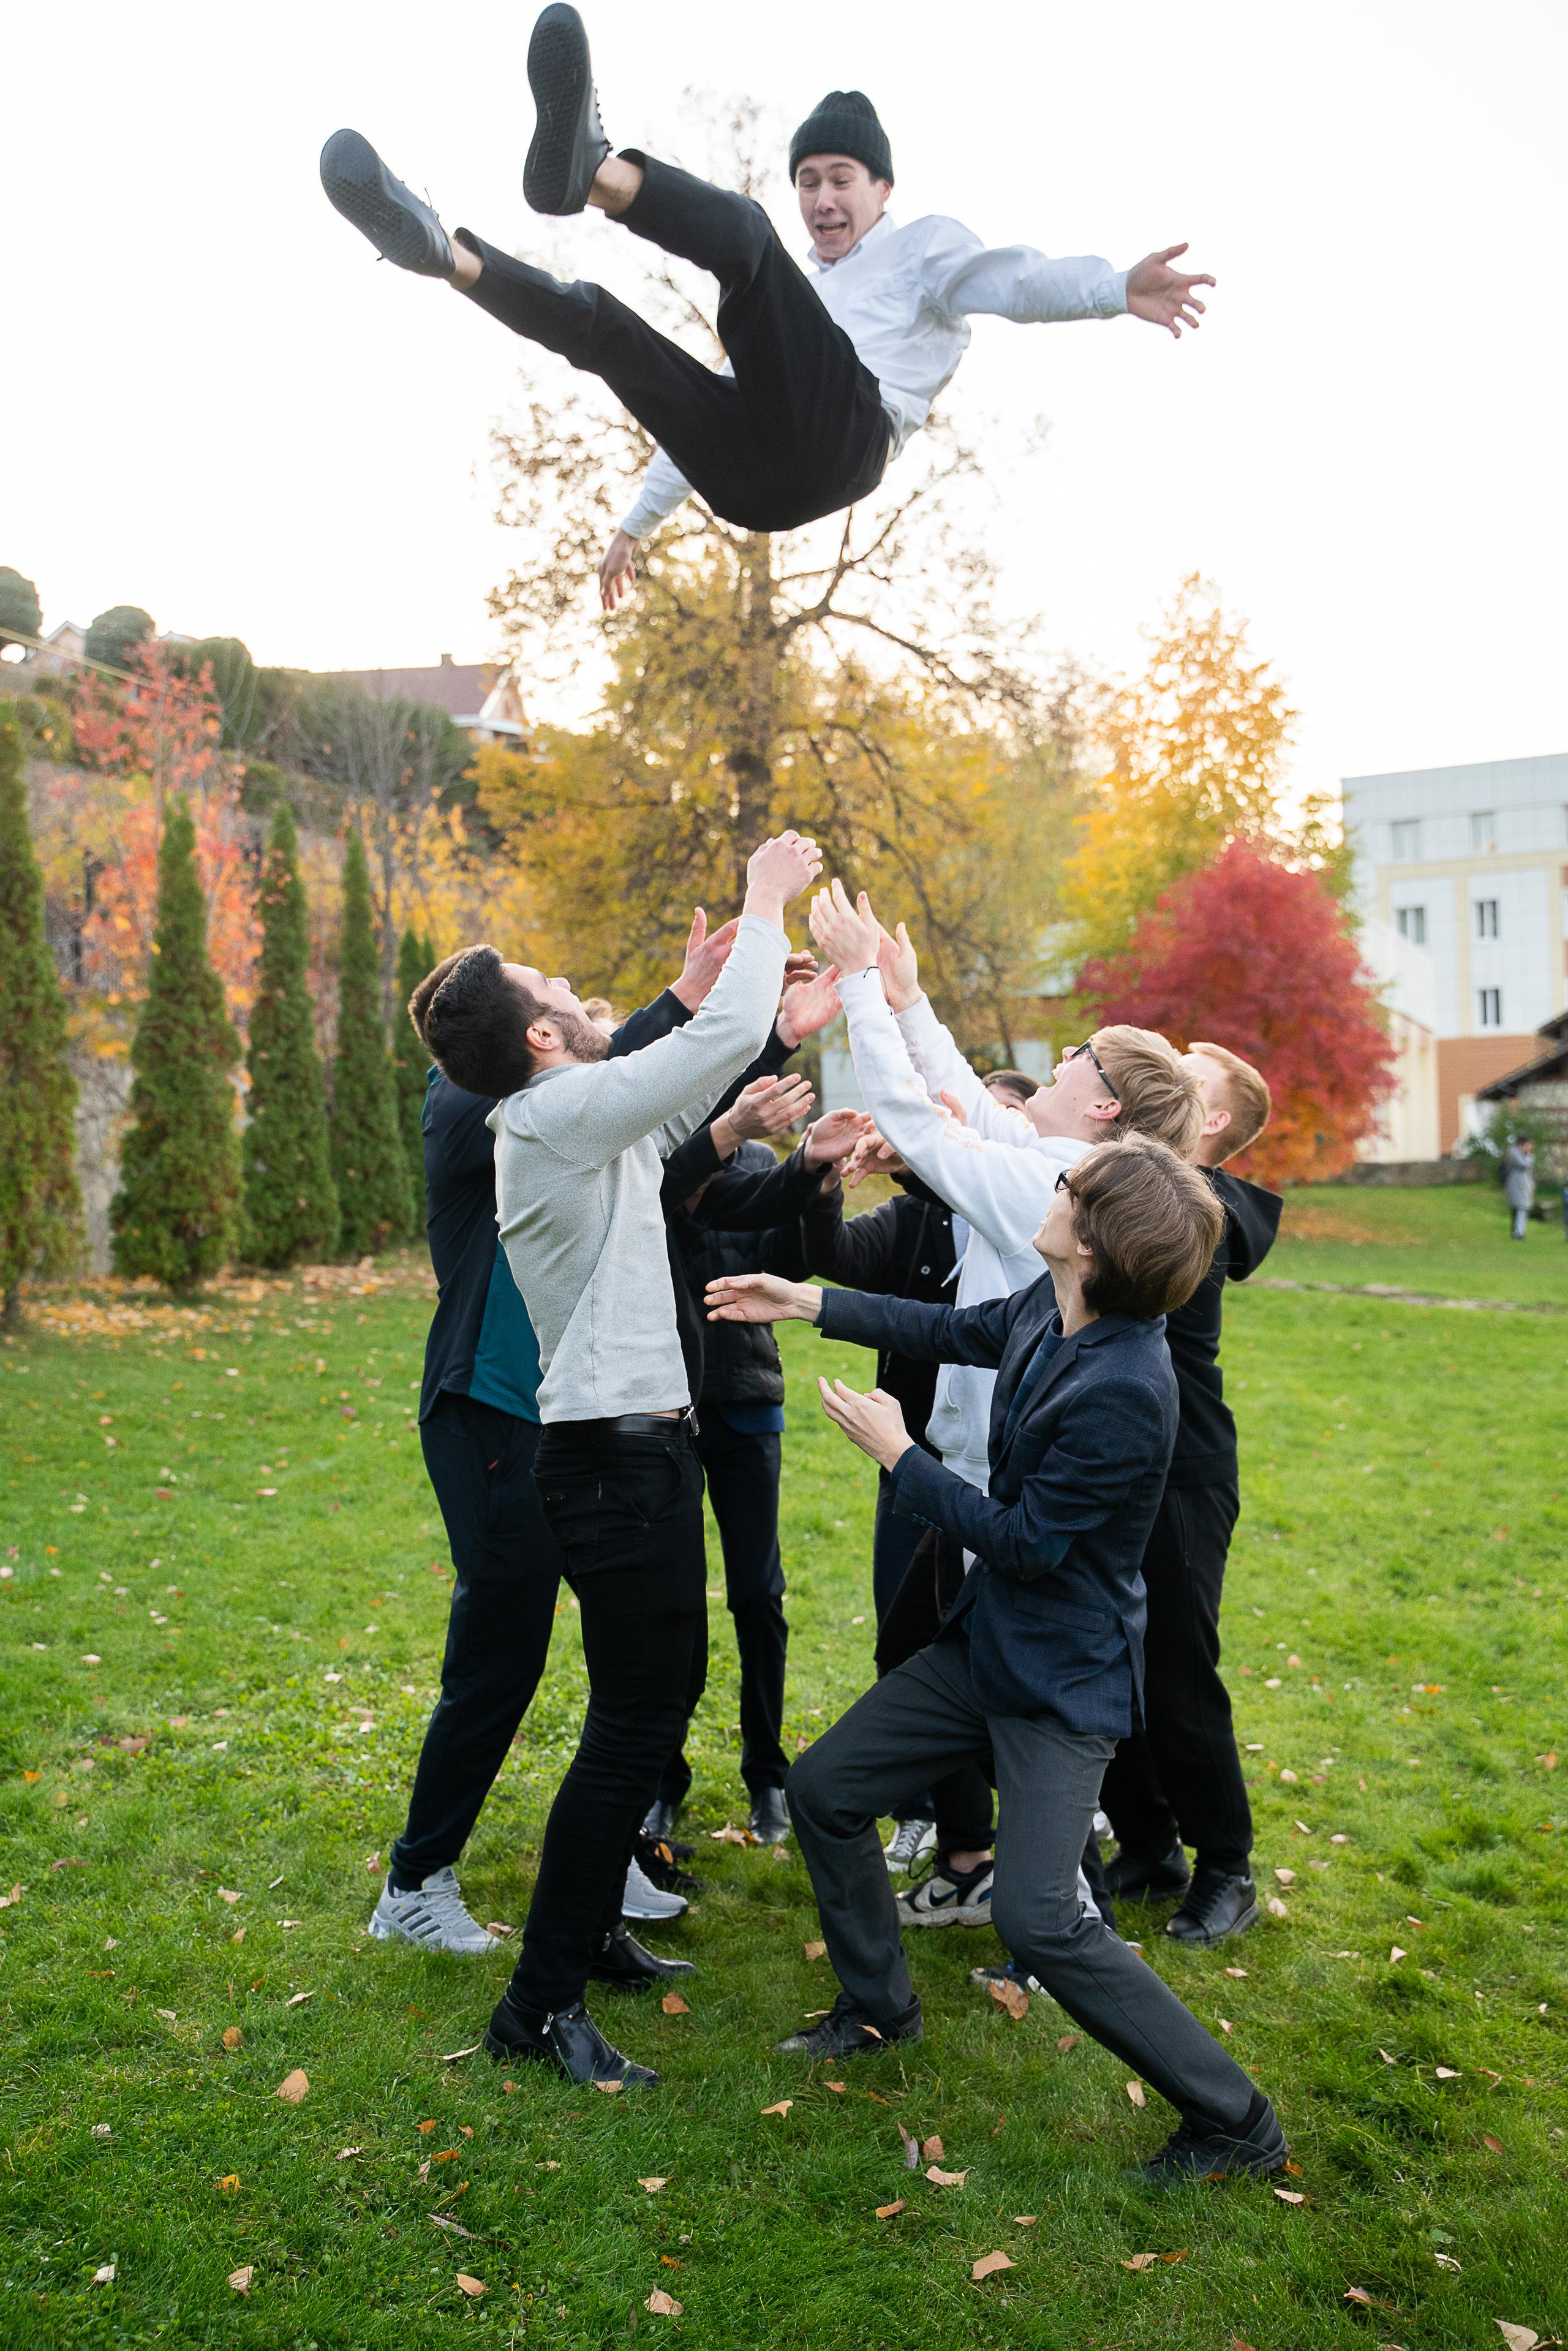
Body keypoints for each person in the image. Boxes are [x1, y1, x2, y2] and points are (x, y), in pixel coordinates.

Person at [704, 1137, 1291, 2189]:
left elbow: (1024, 1540)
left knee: (1040, 1917)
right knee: (830, 1789)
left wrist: (903, 1458)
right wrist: (806, 1302)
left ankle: (1236, 2119)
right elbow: (956, 1327)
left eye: (1073, 1188)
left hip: (1061, 1684)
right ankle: (881, 2008)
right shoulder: (1048, 1301)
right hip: (987, 1644)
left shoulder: (1126, 1385)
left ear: (1100, 1245)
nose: (1054, 1189)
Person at [320, 6, 1214, 606]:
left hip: (849, 437)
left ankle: (589, 171)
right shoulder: (803, 305)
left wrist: (1110, 289)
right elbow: (697, 409)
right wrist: (634, 527)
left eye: (839, 182)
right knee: (608, 331)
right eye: (808, 184)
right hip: (755, 485)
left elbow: (1012, 280)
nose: (822, 202)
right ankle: (450, 256)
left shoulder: (921, 251)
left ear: (882, 187)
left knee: (745, 243)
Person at [418, 829, 821, 2090]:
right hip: (611, 1462)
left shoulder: (572, 1126)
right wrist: (763, 901)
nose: (586, 1006)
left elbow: (678, 1125)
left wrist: (769, 1024)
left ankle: (585, 1933)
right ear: (539, 1040)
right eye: (563, 997)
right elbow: (689, 1059)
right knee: (636, 1720)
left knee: (641, 1702)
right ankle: (536, 2007)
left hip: (629, 1452)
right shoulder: (548, 1114)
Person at [805, 880, 1202, 1928]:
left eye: (1080, 1051)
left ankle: (1048, 1912)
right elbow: (972, 1108)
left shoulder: (1059, 1184)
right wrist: (907, 998)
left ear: (1105, 1100)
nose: (1062, 1055)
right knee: (968, 1677)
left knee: (1027, 1705)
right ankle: (1015, 1883)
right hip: (983, 1460)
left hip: (999, 1480)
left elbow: (920, 1124)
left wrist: (856, 986)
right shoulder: (1064, 1161)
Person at [1099, 1041, 1283, 1944]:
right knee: (1109, 1660)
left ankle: (1228, 1868)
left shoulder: (1199, 1211)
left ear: (1209, 1121)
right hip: (1119, 1463)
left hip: (1185, 1474)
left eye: (1183, 1072)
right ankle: (1149, 1843)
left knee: (1174, 1669)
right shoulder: (1139, 1185)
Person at [650, 1100, 869, 1846]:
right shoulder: (654, 1157)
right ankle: (661, 1776)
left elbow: (800, 1259)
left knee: (757, 1594)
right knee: (671, 1603)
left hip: (745, 1400)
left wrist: (819, 1179)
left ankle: (767, 1775)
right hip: (662, 1406)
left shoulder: (759, 1169)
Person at [797, 1141, 958, 1872]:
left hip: (1003, 1469)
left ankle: (1031, 1826)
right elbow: (833, 1255)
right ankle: (924, 1813)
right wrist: (822, 1178)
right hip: (910, 1458)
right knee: (904, 1637)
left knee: (1002, 1653)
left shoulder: (1026, 1216)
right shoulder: (912, 1217)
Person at [1502, 1135, 1536, 1239]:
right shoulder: (1514, 1152)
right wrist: (1528, 1154)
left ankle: (1519, 1231)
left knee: (1522, 1208)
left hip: (1524, 1185)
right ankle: (1518, 1233)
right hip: (1516, 1184)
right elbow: (1524, 1164)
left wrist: (1532, 1184)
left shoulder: (1523, 1154)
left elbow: (1529, 1171)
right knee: (1520, 1207)